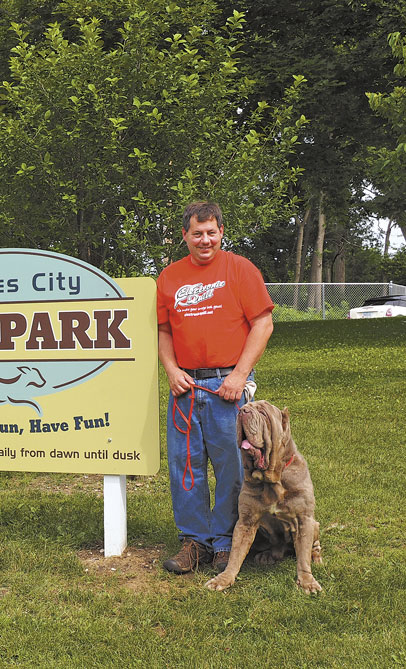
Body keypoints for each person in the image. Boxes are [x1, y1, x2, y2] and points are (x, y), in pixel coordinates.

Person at [156, 201, 274, 574]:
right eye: (197, 233)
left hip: (228, 386)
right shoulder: (169, 277)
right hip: (185, 387)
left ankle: (225, 543)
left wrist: (239, 376)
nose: (204, 240)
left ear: (221, 232)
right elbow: (163, 331)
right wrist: (171, 370)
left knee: (233, 469)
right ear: (185, 236)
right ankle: (194, 542)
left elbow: (262, 323)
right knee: (184, 467)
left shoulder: (241, 270)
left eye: (211, 232)